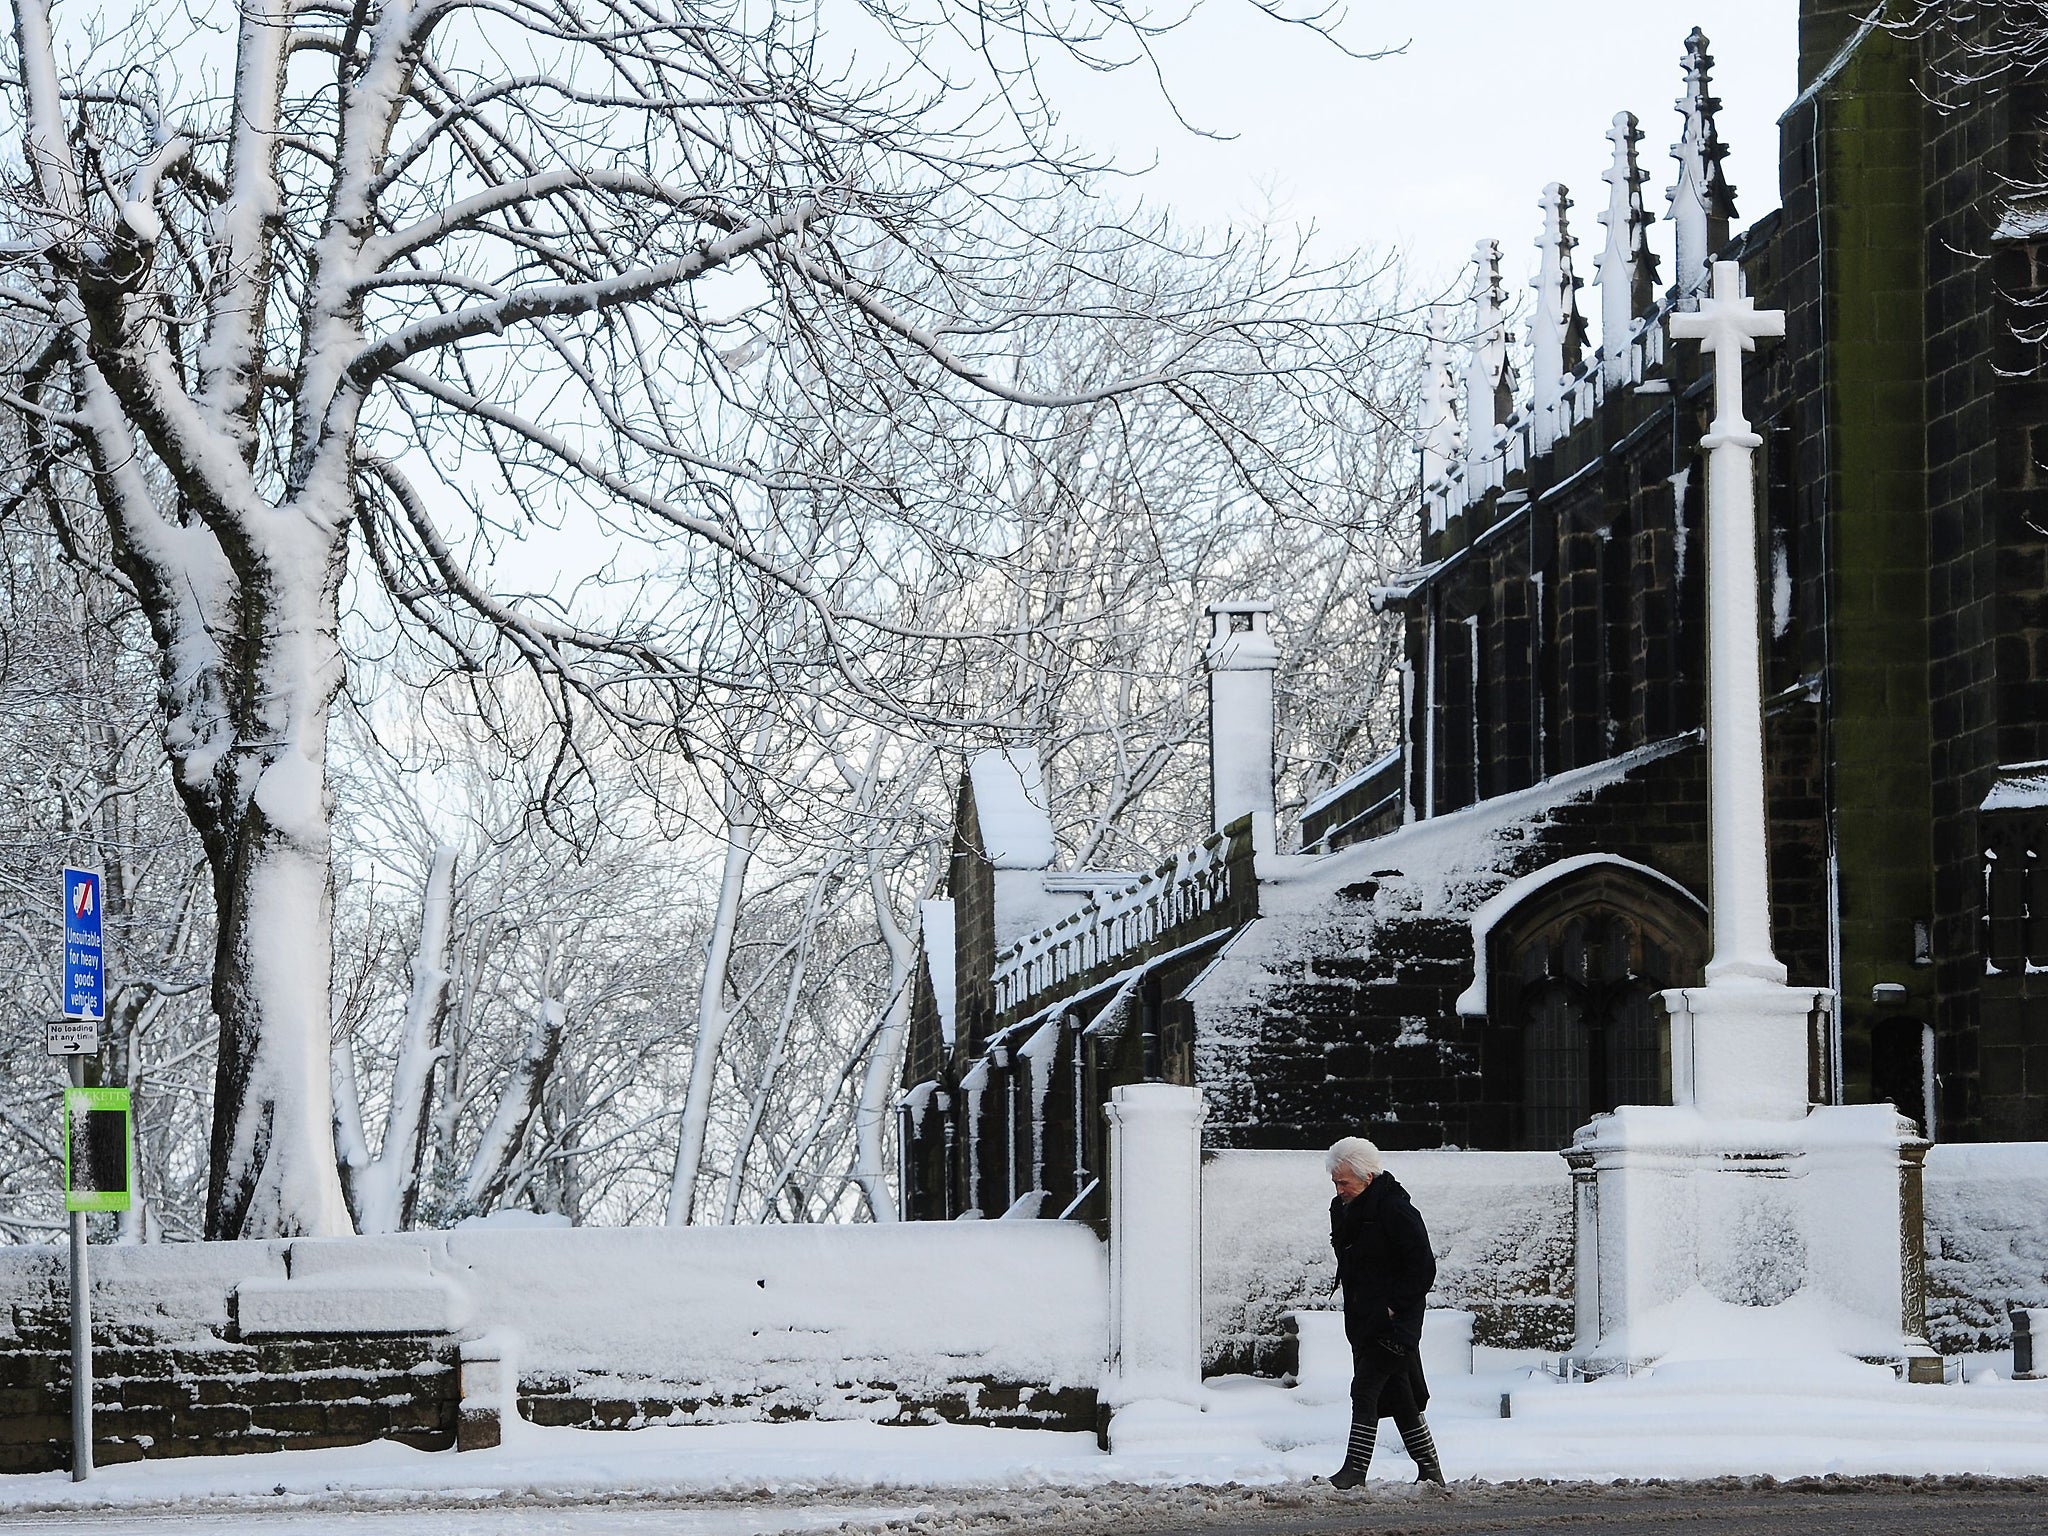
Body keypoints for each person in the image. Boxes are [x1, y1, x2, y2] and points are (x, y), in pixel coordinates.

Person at [1324, 1136, 1446, 1489]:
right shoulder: (1344, 1209)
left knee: (1364, 1390)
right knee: (1400, 1395)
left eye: (1344, 1182)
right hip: (1363, 1320)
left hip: (1393, 1324)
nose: (1338, 1189)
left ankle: (1354, 1471)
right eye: (1335, 1182)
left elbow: (1422, 1267)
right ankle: (1431, 1471)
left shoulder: (1395, 1209)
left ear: (1368, 1177)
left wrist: (1392, 1307)